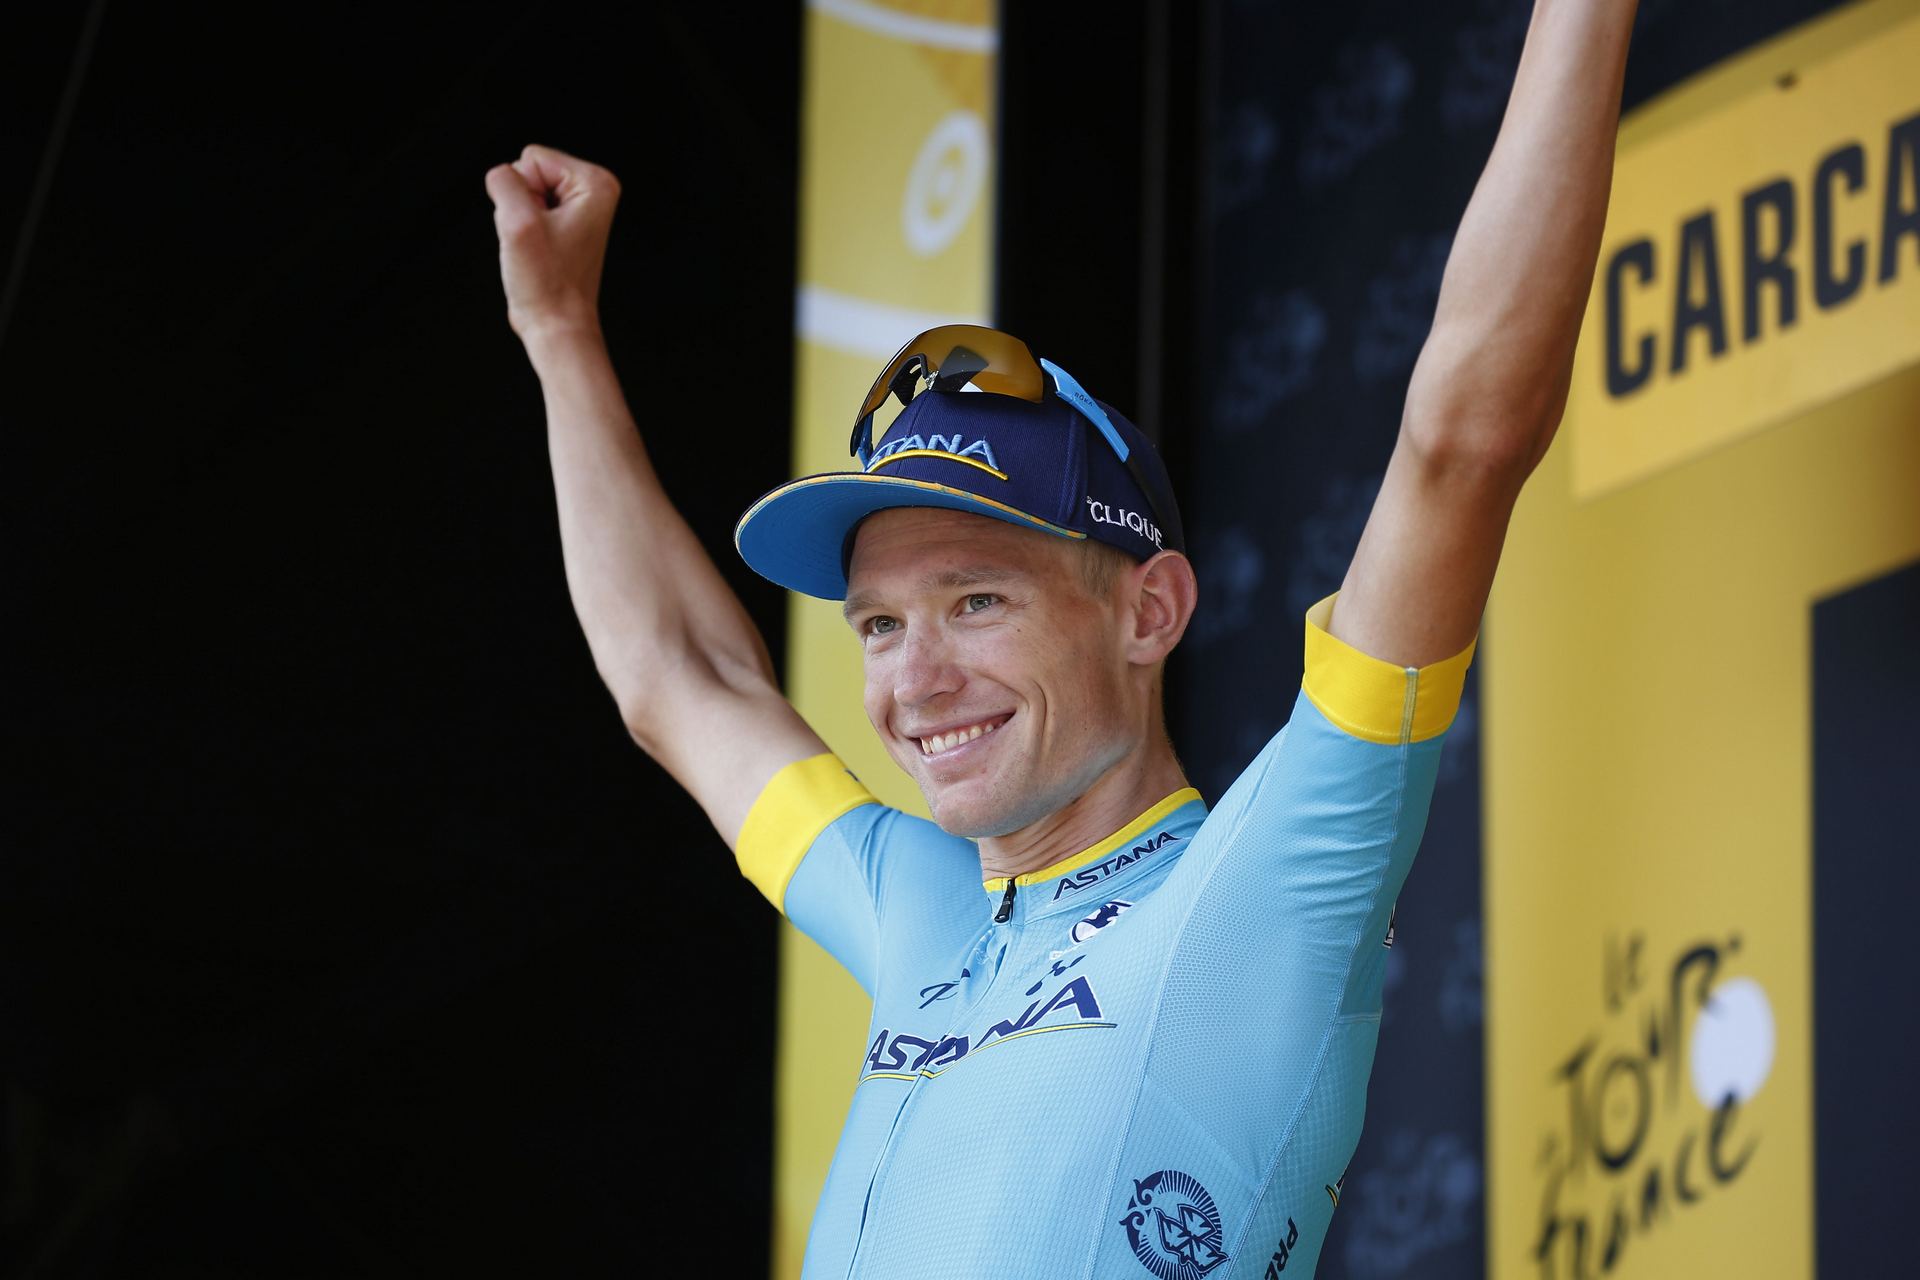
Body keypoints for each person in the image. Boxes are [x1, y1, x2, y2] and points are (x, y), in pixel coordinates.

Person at [483, 2, 1638, 1273]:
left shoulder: (1264, 889)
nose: (915, 681)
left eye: (977, 600)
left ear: (1150, 611)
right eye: (878, 623)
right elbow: (676, 678)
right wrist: (560, 335)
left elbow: (1461, 443)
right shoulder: (920, 906)